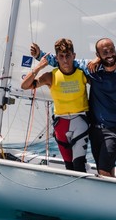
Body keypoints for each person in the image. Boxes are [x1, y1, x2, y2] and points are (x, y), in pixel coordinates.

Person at [31, 38, 116, 177]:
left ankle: (107, 196)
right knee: (105, 167)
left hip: (115, 128)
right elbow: (65, 61)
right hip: (95, 128)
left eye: (111, 50)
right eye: (104, 52)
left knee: (104, 170)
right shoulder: (91, 69)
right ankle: (110, 195)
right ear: (98, 55)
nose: (109, 54)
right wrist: (40, 55)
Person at [21, 38, 89, 172]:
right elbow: (25, 85)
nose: (65, 61)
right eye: (61, 56)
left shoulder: (82, 73)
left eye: (68, 56)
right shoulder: (50, 76)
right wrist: (39, 67)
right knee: (69, 167)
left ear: (73, 56)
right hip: (60, 125)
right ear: (56, 58)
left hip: (80, 121)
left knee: (79, 164)